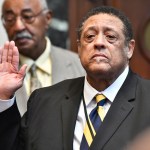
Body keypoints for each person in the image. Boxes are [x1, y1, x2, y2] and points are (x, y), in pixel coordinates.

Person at [1, 6, 150, 150]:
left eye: (110, 37)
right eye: (90, 37)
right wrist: (4, 97)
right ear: (79, 48)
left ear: (129, 48)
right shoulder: (43, 100)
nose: (98, 43)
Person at [1, 0, 84, 116]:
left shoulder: (80, 65)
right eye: (9, 19)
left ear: (48, 18)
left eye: (27, 17)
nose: (18, 26)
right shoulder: (1, 72)